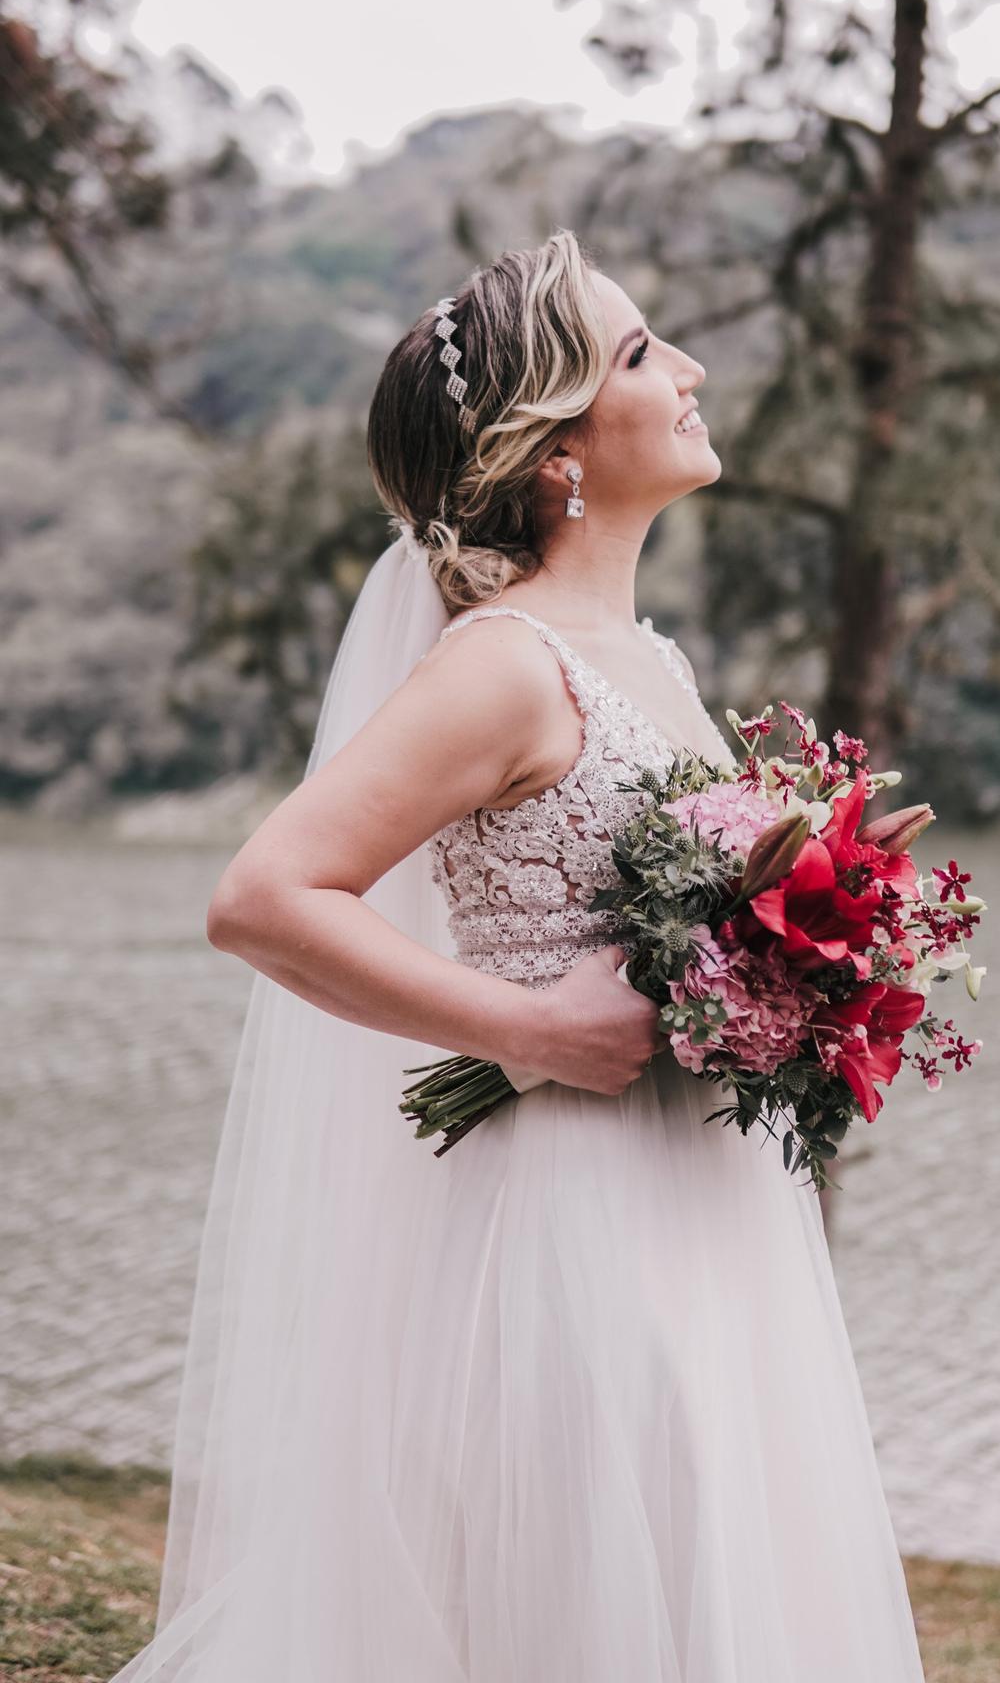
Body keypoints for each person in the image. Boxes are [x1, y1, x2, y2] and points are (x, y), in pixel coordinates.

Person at [110, 228, 927, 1681]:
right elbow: (265, 895)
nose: (683, 370)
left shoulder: (650, 661)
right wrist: (528, 1029)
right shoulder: (503, 662)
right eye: (635, 353)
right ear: (553, 449)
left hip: (709, 1206)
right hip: (575, 1222)